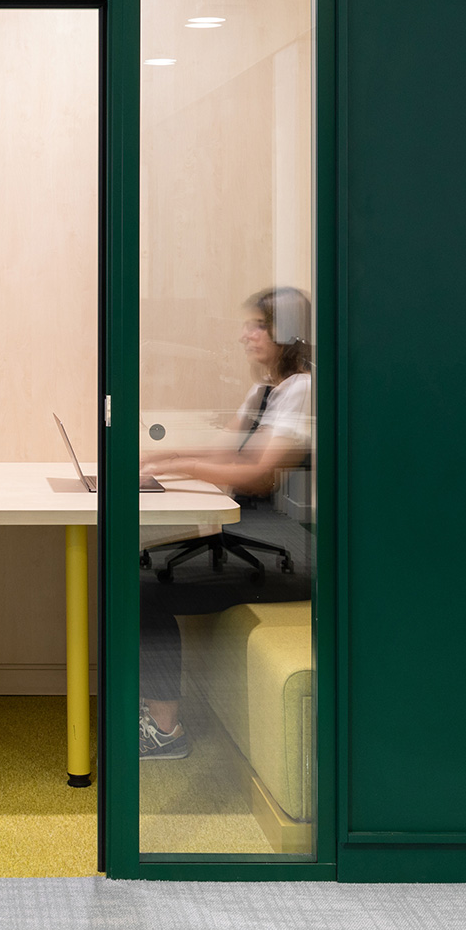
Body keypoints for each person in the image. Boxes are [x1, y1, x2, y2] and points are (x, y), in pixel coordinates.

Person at [137, 286, 315, 760]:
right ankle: (155, 712)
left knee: (143, 591)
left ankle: (165, 730)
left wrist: (179, 468)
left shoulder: (302, 390)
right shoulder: (266, 389)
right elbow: (227, 452)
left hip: (294, 550)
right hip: (258, 536)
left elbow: (257, 476)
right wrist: (163, 458)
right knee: (130, 568)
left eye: (258, 326)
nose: (245, 336)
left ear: (288, 333)